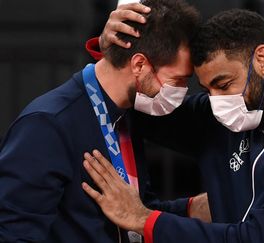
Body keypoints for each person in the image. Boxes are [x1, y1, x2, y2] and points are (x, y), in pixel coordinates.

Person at [83, 6, 264, 243]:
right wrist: (112, 53)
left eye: (224, 84)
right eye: (207, 88)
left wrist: (143, 219)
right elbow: (140, 105)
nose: (217, 100)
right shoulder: (221, 113)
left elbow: (257, 238)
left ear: (262, 59)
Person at [0, 1, 205, 242]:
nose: (182, 91)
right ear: (139, 64)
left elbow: (132, 213)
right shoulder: (47, 125)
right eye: (178, 80)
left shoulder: (127, 114)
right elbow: (14, 236)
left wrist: (191, 209)